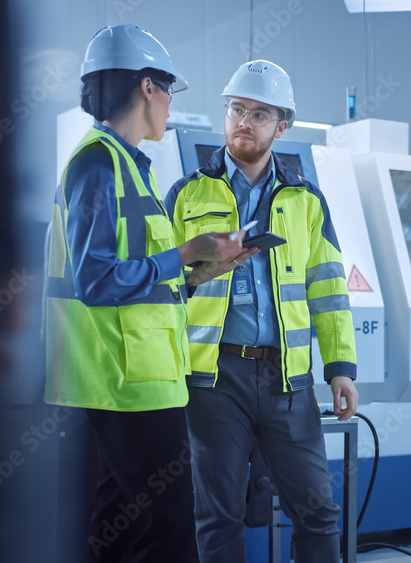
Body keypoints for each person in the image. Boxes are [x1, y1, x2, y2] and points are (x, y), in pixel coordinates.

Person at [44, 25, 257, 562]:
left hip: (136, 379)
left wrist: (200, 271)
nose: (169, 105)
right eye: (168, 91)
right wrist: (186, 253)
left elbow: (141, 277)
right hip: (121, 382)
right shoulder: (98, 165)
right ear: (146, 88)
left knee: (114, 533)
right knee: (170, 535)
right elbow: (97, 282)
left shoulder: (128, 167)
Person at [163, 59, 359, 562]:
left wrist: (340, 369)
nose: (243, 121)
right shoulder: (186, 194)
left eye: (258, 113)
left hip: (287, 380)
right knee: (217, 515)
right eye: (235, 109)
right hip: (211, 378)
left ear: (282, 125)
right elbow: (160, 284)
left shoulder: (305, 201)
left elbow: (329, 290)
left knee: (318, 512)